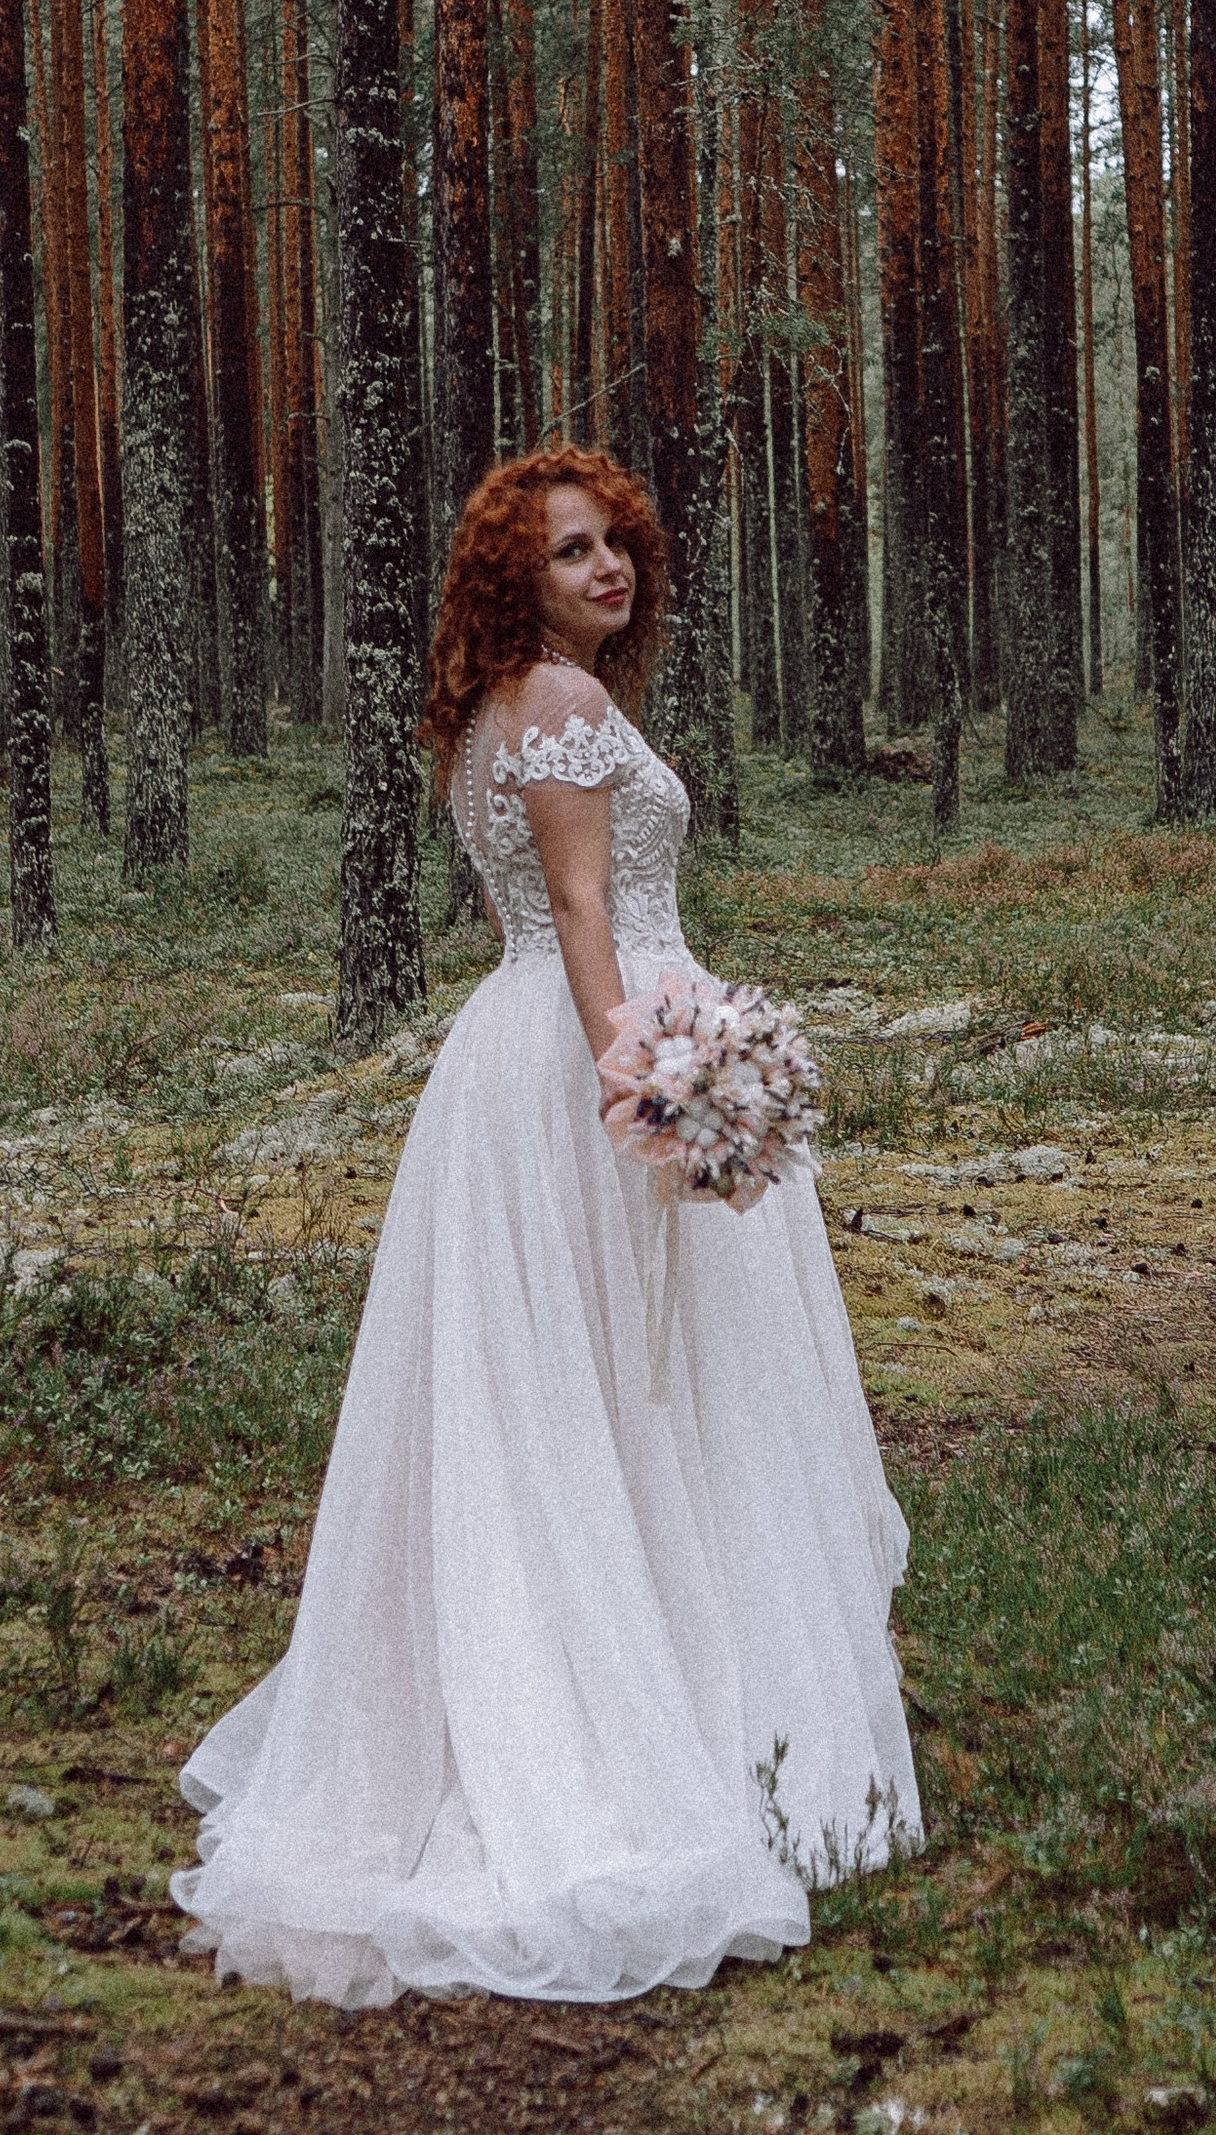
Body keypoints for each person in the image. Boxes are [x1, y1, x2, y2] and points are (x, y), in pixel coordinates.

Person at [170, 444, 919, 2007]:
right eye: (573, 552)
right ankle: (652, 1727)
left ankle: (629, 1678)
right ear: (520, 580)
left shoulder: (500, 714)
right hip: (589, 1049)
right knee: (627, 1392)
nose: (607, 570)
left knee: (579, 1403)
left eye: (617, 545)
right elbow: (584, 912)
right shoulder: (564, 711)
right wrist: (643, 1081)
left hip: (522, 1064)